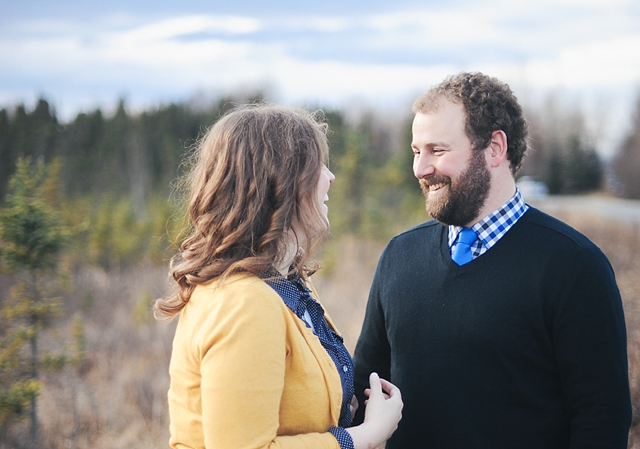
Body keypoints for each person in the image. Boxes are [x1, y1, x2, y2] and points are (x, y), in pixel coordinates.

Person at [352, 72, 632, 448]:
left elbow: (601, 421)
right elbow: (363, 391)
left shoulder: (575, 266)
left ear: (495, 148)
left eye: (437, 150)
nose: (420, 169)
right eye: (416, 152)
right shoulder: (398, 257)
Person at [155, 103, 403, 449]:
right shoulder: (244, 302)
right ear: (280, 182)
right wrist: (366, 435)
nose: (330, 177)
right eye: (316, 165)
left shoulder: (284, 284)